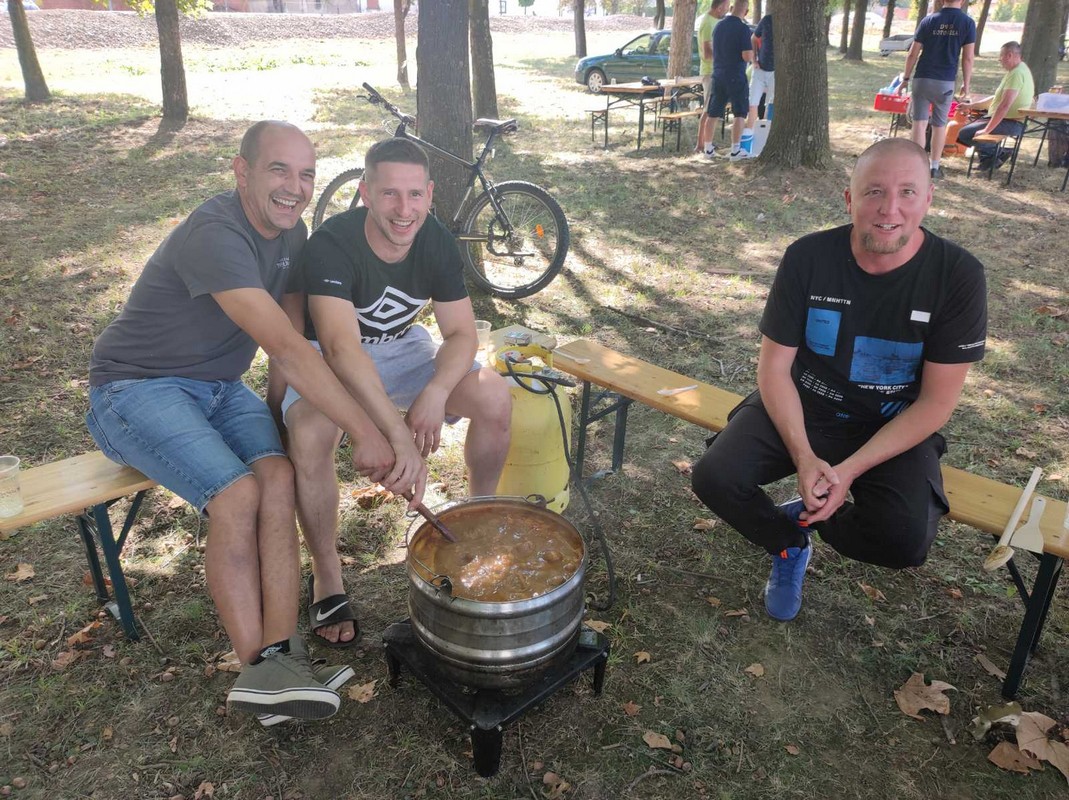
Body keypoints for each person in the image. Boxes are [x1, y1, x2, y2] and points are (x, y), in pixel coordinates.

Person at [86, 121, 422, 724]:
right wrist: (369, 433)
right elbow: (290, 349)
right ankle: (259, 673)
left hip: (221, 388)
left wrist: (274, 412)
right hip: (135, 387)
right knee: (237, 495)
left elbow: (290, 337)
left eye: (306, 174)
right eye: (278, 170)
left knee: (279, 478)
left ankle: (284, 655)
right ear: (242, 171)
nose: (295, 187)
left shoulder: (294, 235)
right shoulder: (215, 234)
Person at [690, 138, 987, 622]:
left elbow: (935, 403)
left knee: (904, 540)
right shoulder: (808, 257)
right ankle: (787, 543)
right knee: (714, 477)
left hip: (891, 421)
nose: (889, 209)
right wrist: (804, 457)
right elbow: (774, 369)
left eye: (907, 192)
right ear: (849, 199)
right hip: (805, 401)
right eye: (874, 192)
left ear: (929, 198)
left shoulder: (958, 275)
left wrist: (845, 472)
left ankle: (805, 516)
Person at [281, 138, 512, 649]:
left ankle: (478, 518)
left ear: (429, 194)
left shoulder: (435, 239)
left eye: (414, 195)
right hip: (330, 358)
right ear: (365, 193)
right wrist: (397, 435)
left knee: (495, 398)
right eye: (389, 194)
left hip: (404, 347)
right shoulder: (332, 244)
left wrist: (436, 391)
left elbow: (461, 334)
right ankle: (327, 572)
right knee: (310, 434)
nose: (403, 210)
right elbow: (342, 350)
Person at [901, 0, 975, 179]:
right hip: (945, 81)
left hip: (922, 78)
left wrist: (905, 78)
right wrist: (966, 84)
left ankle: (917, 166)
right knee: (939, 125)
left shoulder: (928, 21)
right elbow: (967, 58)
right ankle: (934, 167)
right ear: (962, 1)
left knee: (919, 123)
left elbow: (913, 53)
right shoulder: (967, 23)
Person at [957, 41, 1035, 173]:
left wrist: (987, 130)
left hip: (1012, 122)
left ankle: (995, 155)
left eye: (1001, 56)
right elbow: (996, 98)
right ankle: (992, 158)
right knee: (967, 130)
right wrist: (971, 106)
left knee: (965, 133)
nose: (1000, 60)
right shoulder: (1019, 70)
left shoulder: (1016, 74)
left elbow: (1004, 105)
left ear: (1009, 55)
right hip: (1008, 120)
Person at [707, 0, 753, 161]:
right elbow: (746, 55)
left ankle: (708, 148)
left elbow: (713, 48)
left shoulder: (718, 26)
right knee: (739, 112)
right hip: (736, 75)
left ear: (732, 8)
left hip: (718, 73)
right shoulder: (743, 29)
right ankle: (735, 150)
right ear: (746, 12)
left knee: (713, 112)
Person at [696, 0, 729, 157]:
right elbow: (707, 53)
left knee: (713, 108)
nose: (728, 10)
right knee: (708, 109)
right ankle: (700, 144)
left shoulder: (715, 21)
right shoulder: (708, 23)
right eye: (727, 6)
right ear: (719, 7)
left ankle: (707, 141)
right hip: (710, 71)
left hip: (718, 70)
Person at [745, 10, 774, 130]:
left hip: (775, 72)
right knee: (753, 103)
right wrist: (754, 60)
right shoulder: (767, 20)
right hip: (760, 69)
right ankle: (750, 131)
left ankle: (767, 132)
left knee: (771, 104)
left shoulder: (789, 22)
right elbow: (753, 38)